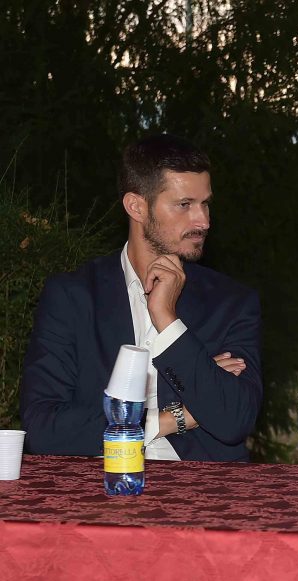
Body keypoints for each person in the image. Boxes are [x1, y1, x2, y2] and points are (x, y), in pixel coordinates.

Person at [21, 134, 262, 461]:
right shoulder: (74, 297)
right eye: (184, 204)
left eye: (205, 203)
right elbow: (43, 429)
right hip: (100, 481)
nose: (203, 221)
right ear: (136, 206)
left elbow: (233, 419)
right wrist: (171, 419)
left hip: (200, 486)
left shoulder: (230, 302)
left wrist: (167, 320)